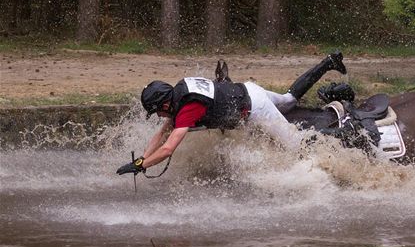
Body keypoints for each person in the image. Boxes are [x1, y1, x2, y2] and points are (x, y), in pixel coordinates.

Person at [116, 52, 347, 175]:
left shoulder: (187, 109)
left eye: (156, 111)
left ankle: (347, 130)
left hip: (256, 109)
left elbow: (167, 148)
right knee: (288, 100)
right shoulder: (180, 90)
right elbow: (162, 134)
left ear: (164, 104)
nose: (158, 116)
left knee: (298, 146)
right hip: (248, 89)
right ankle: (328, 62)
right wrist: (143, 159)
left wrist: (141, 166)